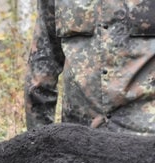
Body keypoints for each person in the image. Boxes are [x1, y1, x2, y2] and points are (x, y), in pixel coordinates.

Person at [24, 0, 155, 135]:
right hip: (79, 143)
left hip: (145, 141)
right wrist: (40, 143)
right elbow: (40, 73)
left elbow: (40, 73)